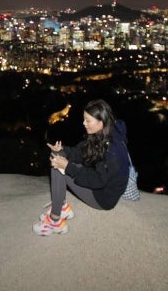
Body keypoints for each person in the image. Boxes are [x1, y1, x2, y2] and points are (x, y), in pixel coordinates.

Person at [33, 99, 130, 235]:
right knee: (58, 156)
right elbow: (81, 152)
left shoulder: (112, 150)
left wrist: (67, 167)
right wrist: (62, 150)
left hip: (103, 197)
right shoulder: (102, 134)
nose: (84, 123)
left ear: (101, 122)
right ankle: (61, 206)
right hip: (100, 183)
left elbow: (97, 181)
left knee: (58, 164)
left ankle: (55, 221)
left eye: (88, 120)